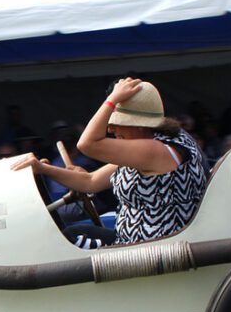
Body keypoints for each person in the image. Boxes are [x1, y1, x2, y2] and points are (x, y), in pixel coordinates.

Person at [12, 77, 207, 249]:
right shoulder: (155, 143)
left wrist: (112, 99)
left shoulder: (155, 151)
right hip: (132, 240)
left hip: (149, 250)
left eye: (118, 122)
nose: (111, 129)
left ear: (140, 124)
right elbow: (89, 181)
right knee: (70, 233)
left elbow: (86, 144)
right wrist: (42, 168)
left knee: (63, 241)